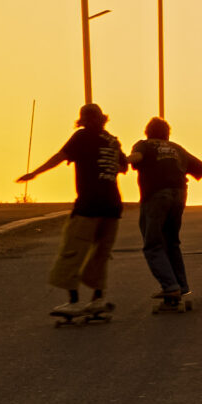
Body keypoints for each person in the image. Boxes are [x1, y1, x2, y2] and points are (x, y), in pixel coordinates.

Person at [16, 103, 128, 316]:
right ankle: (97, 299)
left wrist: (35, 173)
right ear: (103, 118)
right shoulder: (112, 140)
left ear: (83, 119)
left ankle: (74, 302)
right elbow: (124, 167)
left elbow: (60, 156)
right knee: (101, 254)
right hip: (112, 205)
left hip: (89, 205)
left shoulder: (82, 136)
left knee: (73, 250)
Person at [128, 117, 202, 307]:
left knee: (153, 244)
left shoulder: (144, 145)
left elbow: (137, 157)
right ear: (167, 134)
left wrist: (122, 160)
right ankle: (181, 285)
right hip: (179, 195)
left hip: (156, 196)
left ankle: (170, 286)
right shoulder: (177, 149)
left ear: (148, 132)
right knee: (172, 242)